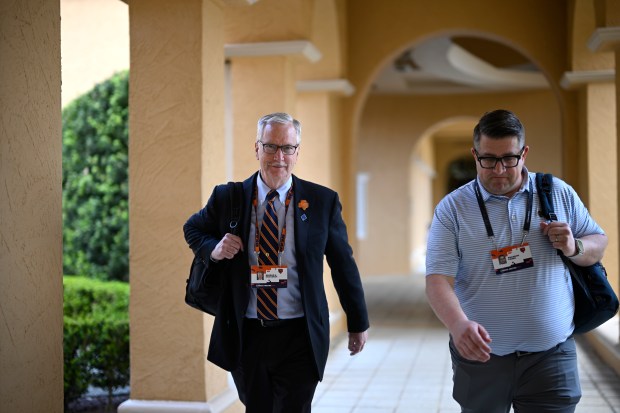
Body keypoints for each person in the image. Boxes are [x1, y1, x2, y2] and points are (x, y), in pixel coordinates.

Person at [184, 112, 369, 413]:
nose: (278, 156)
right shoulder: (229, 198)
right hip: (247, 332)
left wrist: (357, 321)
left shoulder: (322, 202)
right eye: (270, 147)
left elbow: (343, 264)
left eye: (287, 148)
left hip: (300, 334)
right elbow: (192, 228)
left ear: (297, 152)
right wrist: (213, 249)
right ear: (256, 149)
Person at [425, 109, 607, 413]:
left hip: (551, 356)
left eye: (509, 159)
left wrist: (574, 246)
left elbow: (597, 243)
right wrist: (458, 326)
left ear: (524, 154)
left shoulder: (558, 193)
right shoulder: (453, 208)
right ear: (474, 155)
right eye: (488, 159)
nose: (498, 170)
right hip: (481, 357)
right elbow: (437, 279)